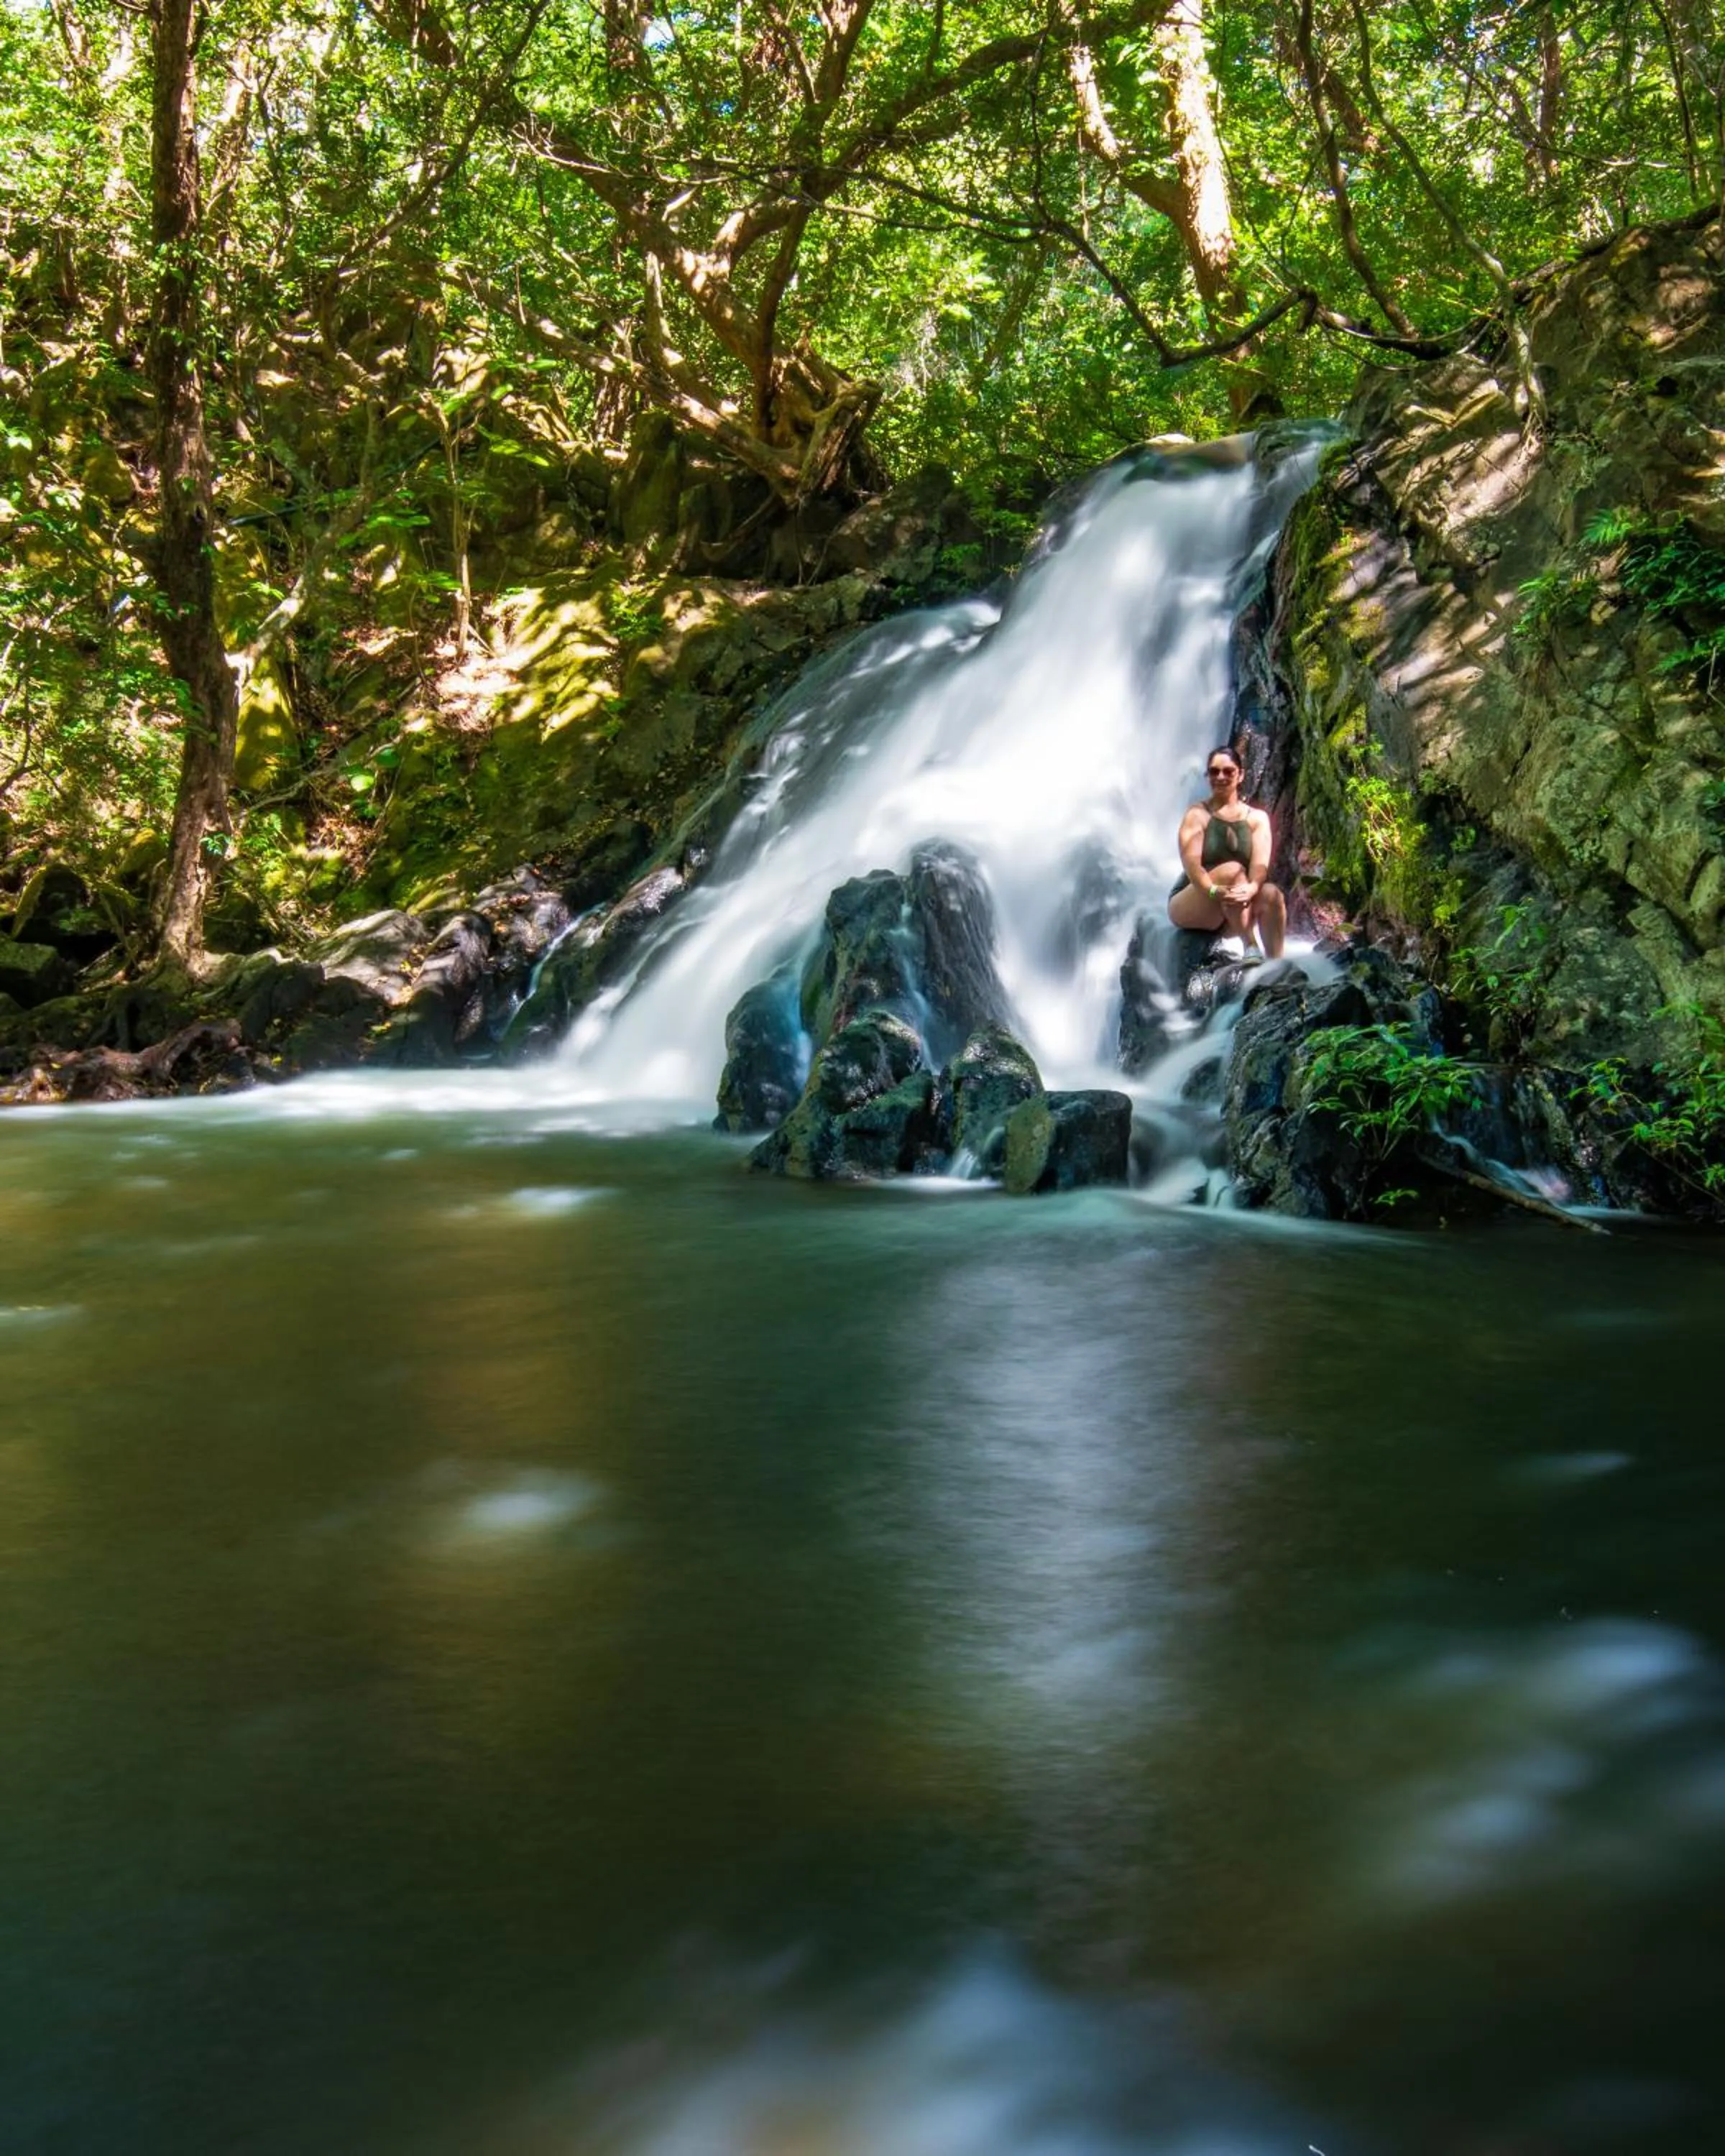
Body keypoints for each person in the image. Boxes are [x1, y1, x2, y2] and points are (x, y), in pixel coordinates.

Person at [1167, 745, 1287, 959]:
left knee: (1271, 895)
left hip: (1236, 906)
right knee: (1232, 871)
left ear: (1240, 775)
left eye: (1228, 771)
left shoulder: (1256, 818)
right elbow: (1192, 867)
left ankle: (1277, 968)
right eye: (1214, 772)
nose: (1220, 777)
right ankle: (1250, 946)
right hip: (1195, 901)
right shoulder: (1197, 814)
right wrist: (1213, 891)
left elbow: (1260, 866)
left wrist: (1252, 888)